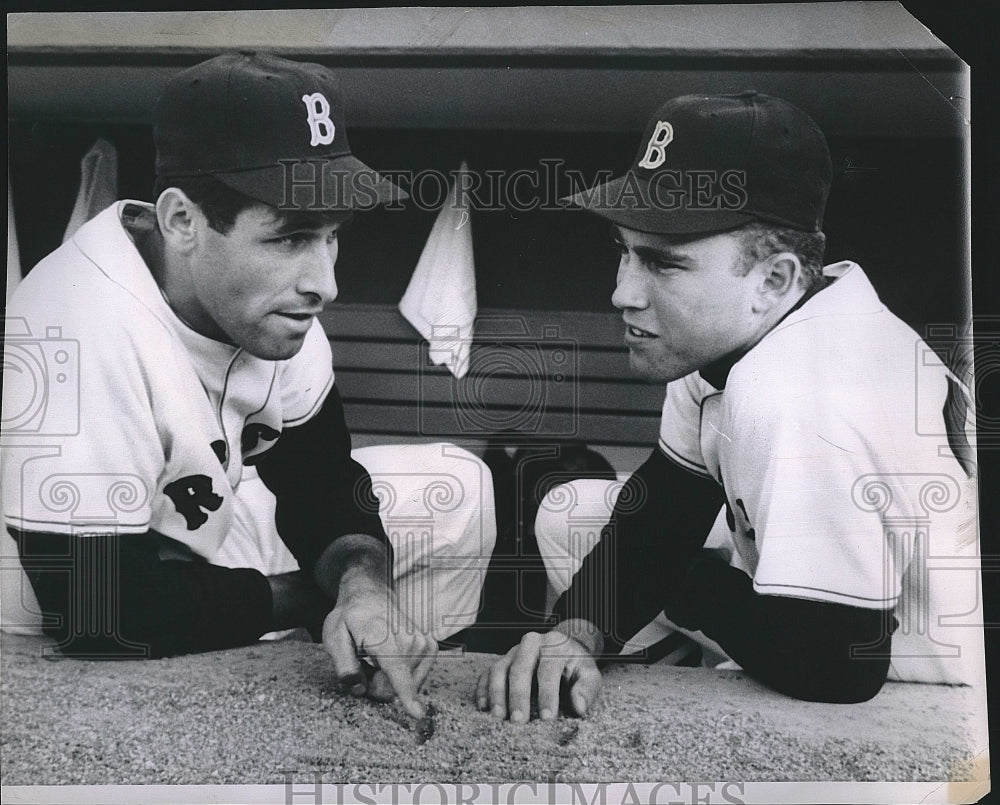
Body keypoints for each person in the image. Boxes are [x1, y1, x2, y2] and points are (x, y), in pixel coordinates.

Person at [1, 52, 496, 719]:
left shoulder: (270, 309)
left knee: (458, 483)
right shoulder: (76, 325)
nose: (326, 282)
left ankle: (388, 663)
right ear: (181, 220)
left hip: (189, 538)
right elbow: (97, 612)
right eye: (291, 237)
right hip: (51, 612)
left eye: (330, 237)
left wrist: (362, 584)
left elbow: (320, 478)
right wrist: (305, 598)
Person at [478, 91, 981, 719]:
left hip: (927, 679)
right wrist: (574, 632)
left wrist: (683, 578)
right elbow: (663, 503)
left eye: (663, 262)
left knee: (673, 576)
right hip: (841, 615)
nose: (622, 293)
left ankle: (702, 688)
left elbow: (839, 666)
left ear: (774, 278)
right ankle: (678, 667)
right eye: (624, 251)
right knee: (572, 512)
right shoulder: (744, 330)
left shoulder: (804, 392)